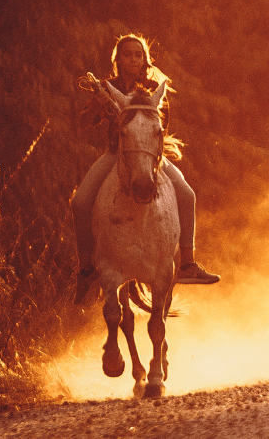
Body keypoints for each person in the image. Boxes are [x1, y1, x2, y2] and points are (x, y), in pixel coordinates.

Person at [72, 34, 220, 304]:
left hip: (150, 156)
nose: (132, 59)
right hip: (116, 154)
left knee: (187, 195)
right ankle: (86, 269)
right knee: (81, 202)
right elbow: (83, 121)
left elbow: (160, 127)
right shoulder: (106, 87)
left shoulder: (153, 88)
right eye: (127, 54)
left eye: (137, 55)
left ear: (144, 60)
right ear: (118, 59)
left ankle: (187, 263)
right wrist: (100, 106)